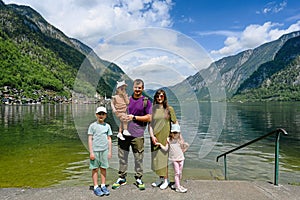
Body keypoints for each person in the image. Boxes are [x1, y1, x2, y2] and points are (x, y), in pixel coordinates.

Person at [112, 79, 152, 190]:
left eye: (140, 88)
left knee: (138, 158)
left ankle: (138, 178)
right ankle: (122, 178)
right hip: (124, 134)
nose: (137, 89)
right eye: (136, 87)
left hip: (138, 134)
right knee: (122, 157)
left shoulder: (146, 101)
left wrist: (134, 117)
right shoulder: (127, 100)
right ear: (133, 88)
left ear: (142, 89)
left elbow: (149, 117)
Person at [148, 89, 178, 190]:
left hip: (165, 137)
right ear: (155, 97)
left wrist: (174, 138)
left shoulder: (169, 109)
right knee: (156, 159)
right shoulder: (152, 109)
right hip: (155, 137)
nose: (159, 98)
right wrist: (152, 136)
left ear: (164, 97)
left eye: (161, 96)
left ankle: (166, 180)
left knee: (163, 159)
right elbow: (150, 125)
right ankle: (160, 179)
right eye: (157, 96)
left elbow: (175, 123)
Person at [156, 123, 189, 193]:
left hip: (181, 158)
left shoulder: (180, 140)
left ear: (179, 133)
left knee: (180, 173)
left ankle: (176, 184)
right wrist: (160, 144)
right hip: (174, 159)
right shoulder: (169, 140)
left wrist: (186, 146)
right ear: (171, 133)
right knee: (177, 173)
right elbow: (165, 149)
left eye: (176, 132)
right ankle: (178, 187)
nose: (175, 134)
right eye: (174, 132)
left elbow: (183, 149)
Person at [88, 106, 112, 196]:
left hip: (104, 150)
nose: (101, 115)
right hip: (95, 150)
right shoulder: (92, 126)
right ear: (96, 115)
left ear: (105, 115)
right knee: (95, 169)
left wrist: (109, 151)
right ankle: (95, 186)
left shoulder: (107, 126)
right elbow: (90, 139)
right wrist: (91, 152)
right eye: (99, 114)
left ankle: (103, 185)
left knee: (103, 168)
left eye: (103, 114)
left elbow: (109, 139)